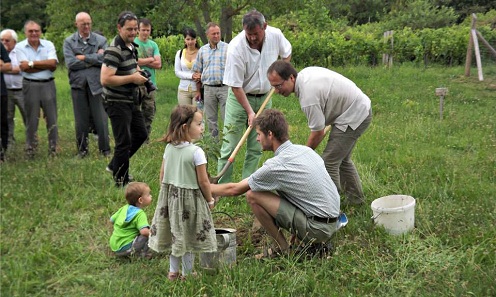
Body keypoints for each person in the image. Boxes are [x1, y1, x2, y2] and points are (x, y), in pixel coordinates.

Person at [211, 109, 340, 256]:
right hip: (332, 222)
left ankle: (282, 249)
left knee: (253, 195)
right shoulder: (305, 151)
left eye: (259, 134)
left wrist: (206, 187)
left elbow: (235, 189)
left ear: (270, 134)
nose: (257, 139)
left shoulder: (277, 165)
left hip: (318, 229)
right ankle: (301, 240)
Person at [267, 60, 372, 206]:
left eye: (279, 86)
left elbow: (318, 132)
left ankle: (332, 208)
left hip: (354, 114)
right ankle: (356, 201)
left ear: (291, 77)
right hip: (356, 107)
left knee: (329, 162)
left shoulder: (308, 97)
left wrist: (302, 155)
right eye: (273, 87)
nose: (277, 91)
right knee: (342, 159)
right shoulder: (304, 75)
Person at [218, 9, 292, 183]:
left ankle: (247, 184)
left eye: (255, 34)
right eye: (248, 34)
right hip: (239, 97)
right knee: (230, 143)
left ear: (264, 27)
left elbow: (287, 53)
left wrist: (279, 75)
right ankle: (223, 186)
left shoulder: (275, 35)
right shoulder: (236, 47)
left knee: (258, 144)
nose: (252, 38)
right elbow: (235, 85)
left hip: (265, 96)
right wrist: (250, 112)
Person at [148, 105, 216, 281]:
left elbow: (162, 174)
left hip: (171, 198)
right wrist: (209, 200)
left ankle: (173, 271)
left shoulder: (169, 148)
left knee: (175, 235)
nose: (202, 128)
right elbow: (203, 181)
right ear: (186, 127)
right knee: (189, 235)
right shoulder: (196, 152)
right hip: (190, 202)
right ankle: (187, 273)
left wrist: (166, 194)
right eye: (199, 124)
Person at [101, 11, 149, 187]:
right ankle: (121, 180)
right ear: (119, 28)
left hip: (131, 99)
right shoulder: (114, 49)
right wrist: (132, 79)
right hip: (116, 101)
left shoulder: (131, 46)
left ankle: (115, 165)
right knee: (124, 141)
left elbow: (132, 66)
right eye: (129, 29)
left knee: (141, 134)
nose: (133, 32)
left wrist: (138, 73)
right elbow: (105, 79)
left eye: (136, 29)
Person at [63, 12, 111, 158]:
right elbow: (71, 63)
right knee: (81, 119)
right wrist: (95, 57)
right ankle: (82, 150)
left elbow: (106, 59)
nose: (86, 26)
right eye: (83, 23)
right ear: (76, 24)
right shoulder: (69, 41)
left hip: (96, 84)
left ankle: (105, 150)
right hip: (78, 85)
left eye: (89, 23)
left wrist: (84, 57)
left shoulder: (101, 40)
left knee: (101, 119)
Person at [15, 20, 59, 158]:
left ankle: (53, 149)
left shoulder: (49, 44)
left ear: (40, 31)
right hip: (30, 85)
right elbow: (23, 68)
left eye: (36, 31)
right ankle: (30, 150)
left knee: (52, 118)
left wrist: (32, 63)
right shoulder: (20, 46)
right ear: (25, 32)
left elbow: (53, 65)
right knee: (31, 119)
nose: (34, 33)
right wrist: (43, 65)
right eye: (30, 31)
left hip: (48, 84)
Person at [192, 22, 228, 138]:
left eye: (218, 33)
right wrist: (198, 91)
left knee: (227, 117)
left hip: (225, 88)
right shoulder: (202, 50)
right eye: (213, 34)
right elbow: (197, 72)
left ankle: (229, 144)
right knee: (211, 119)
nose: (216, 36)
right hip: (208, 88)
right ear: (208, 35)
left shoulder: (228, 48)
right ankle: (214, 144)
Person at [109, 182, 152, 257]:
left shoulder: (124, 208)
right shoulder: (140, 214)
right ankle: (141, 255)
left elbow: (111, 220)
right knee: (148, 233)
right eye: (148, 195)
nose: (151, 196)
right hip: (126, 248)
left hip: (115, 246)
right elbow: (144, 232)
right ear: (141, 200)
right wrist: (155, 234)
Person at [134, 18, 161, 137]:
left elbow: (158, 64)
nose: (145, 33)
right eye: (143, 30)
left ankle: (146, 137)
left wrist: (141, 62)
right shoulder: (133, 43)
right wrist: (150, 60)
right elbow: (132, 62)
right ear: (138, 30)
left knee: (149, 111)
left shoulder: (153, 44)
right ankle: (134, 135)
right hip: (135, 82)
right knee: (135, 111)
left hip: (150, 83)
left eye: (148, 30)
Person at [1, 29, 27, 147]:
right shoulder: (1, 53)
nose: (4, 42)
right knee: (7, 118)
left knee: (27, 116)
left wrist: (6, 68)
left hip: (22, 90)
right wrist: (10, 68)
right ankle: (9, 144)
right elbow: (14, 69)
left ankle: (31, 143)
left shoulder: (20, 51)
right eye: (2, 40)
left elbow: (20, 68)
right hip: (6, 91)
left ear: (15, 41)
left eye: (7, 40)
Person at [174, 28, 201, 106]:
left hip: (197, 90)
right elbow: (177, 72)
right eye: (188, 39)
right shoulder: (180, 53)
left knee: (197, 114)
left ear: (196, 40)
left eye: (192, 39)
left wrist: (200, 76)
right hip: (183, 89)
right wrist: (191, 76)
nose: (190, 42)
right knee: (185, 115)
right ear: (184, 40)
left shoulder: (201, 52)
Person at [0, 43, 12, 162]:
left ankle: (2, 153)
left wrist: (3, 64)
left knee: (3, 122)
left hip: (1, 91)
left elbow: (9, 66)